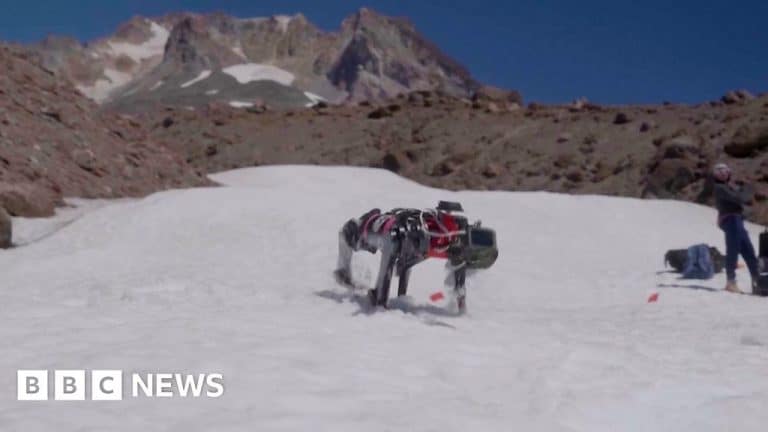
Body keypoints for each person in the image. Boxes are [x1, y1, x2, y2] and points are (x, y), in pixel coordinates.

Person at [334, 202, 498, 312]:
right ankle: (343, 273)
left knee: (403, 261)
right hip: (379, 229)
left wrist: (460, 303)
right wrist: (380, 301)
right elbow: (380, 300)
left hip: (397, 235)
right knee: (347, 232)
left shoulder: (449, 241)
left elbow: (459, 269)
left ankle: (346, 274)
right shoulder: (401, 236)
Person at [712, 163, 759, 293]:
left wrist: (744, 190)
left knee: (749, 251)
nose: (723, 173)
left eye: (725, 171)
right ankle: (730, 282)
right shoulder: (720, 188)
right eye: (720, 171)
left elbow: (743, 198)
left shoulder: (728, 187)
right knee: (733, 249)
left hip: (737, 219)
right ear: (716, 174)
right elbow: (740, 198)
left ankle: (757, 281)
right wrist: (747, 189)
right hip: (730, 219)